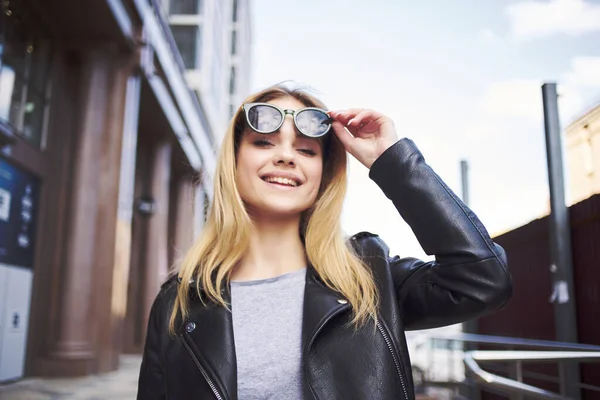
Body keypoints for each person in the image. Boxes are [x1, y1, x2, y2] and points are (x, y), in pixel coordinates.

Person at [137, 84, 512, 400]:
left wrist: (394, 162)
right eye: (264, 143)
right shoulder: (179, 302)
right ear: (234, 163)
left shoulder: (367, 277)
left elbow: (483, 279)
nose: (286, 156)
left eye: (305, 150)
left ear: (323, 174)